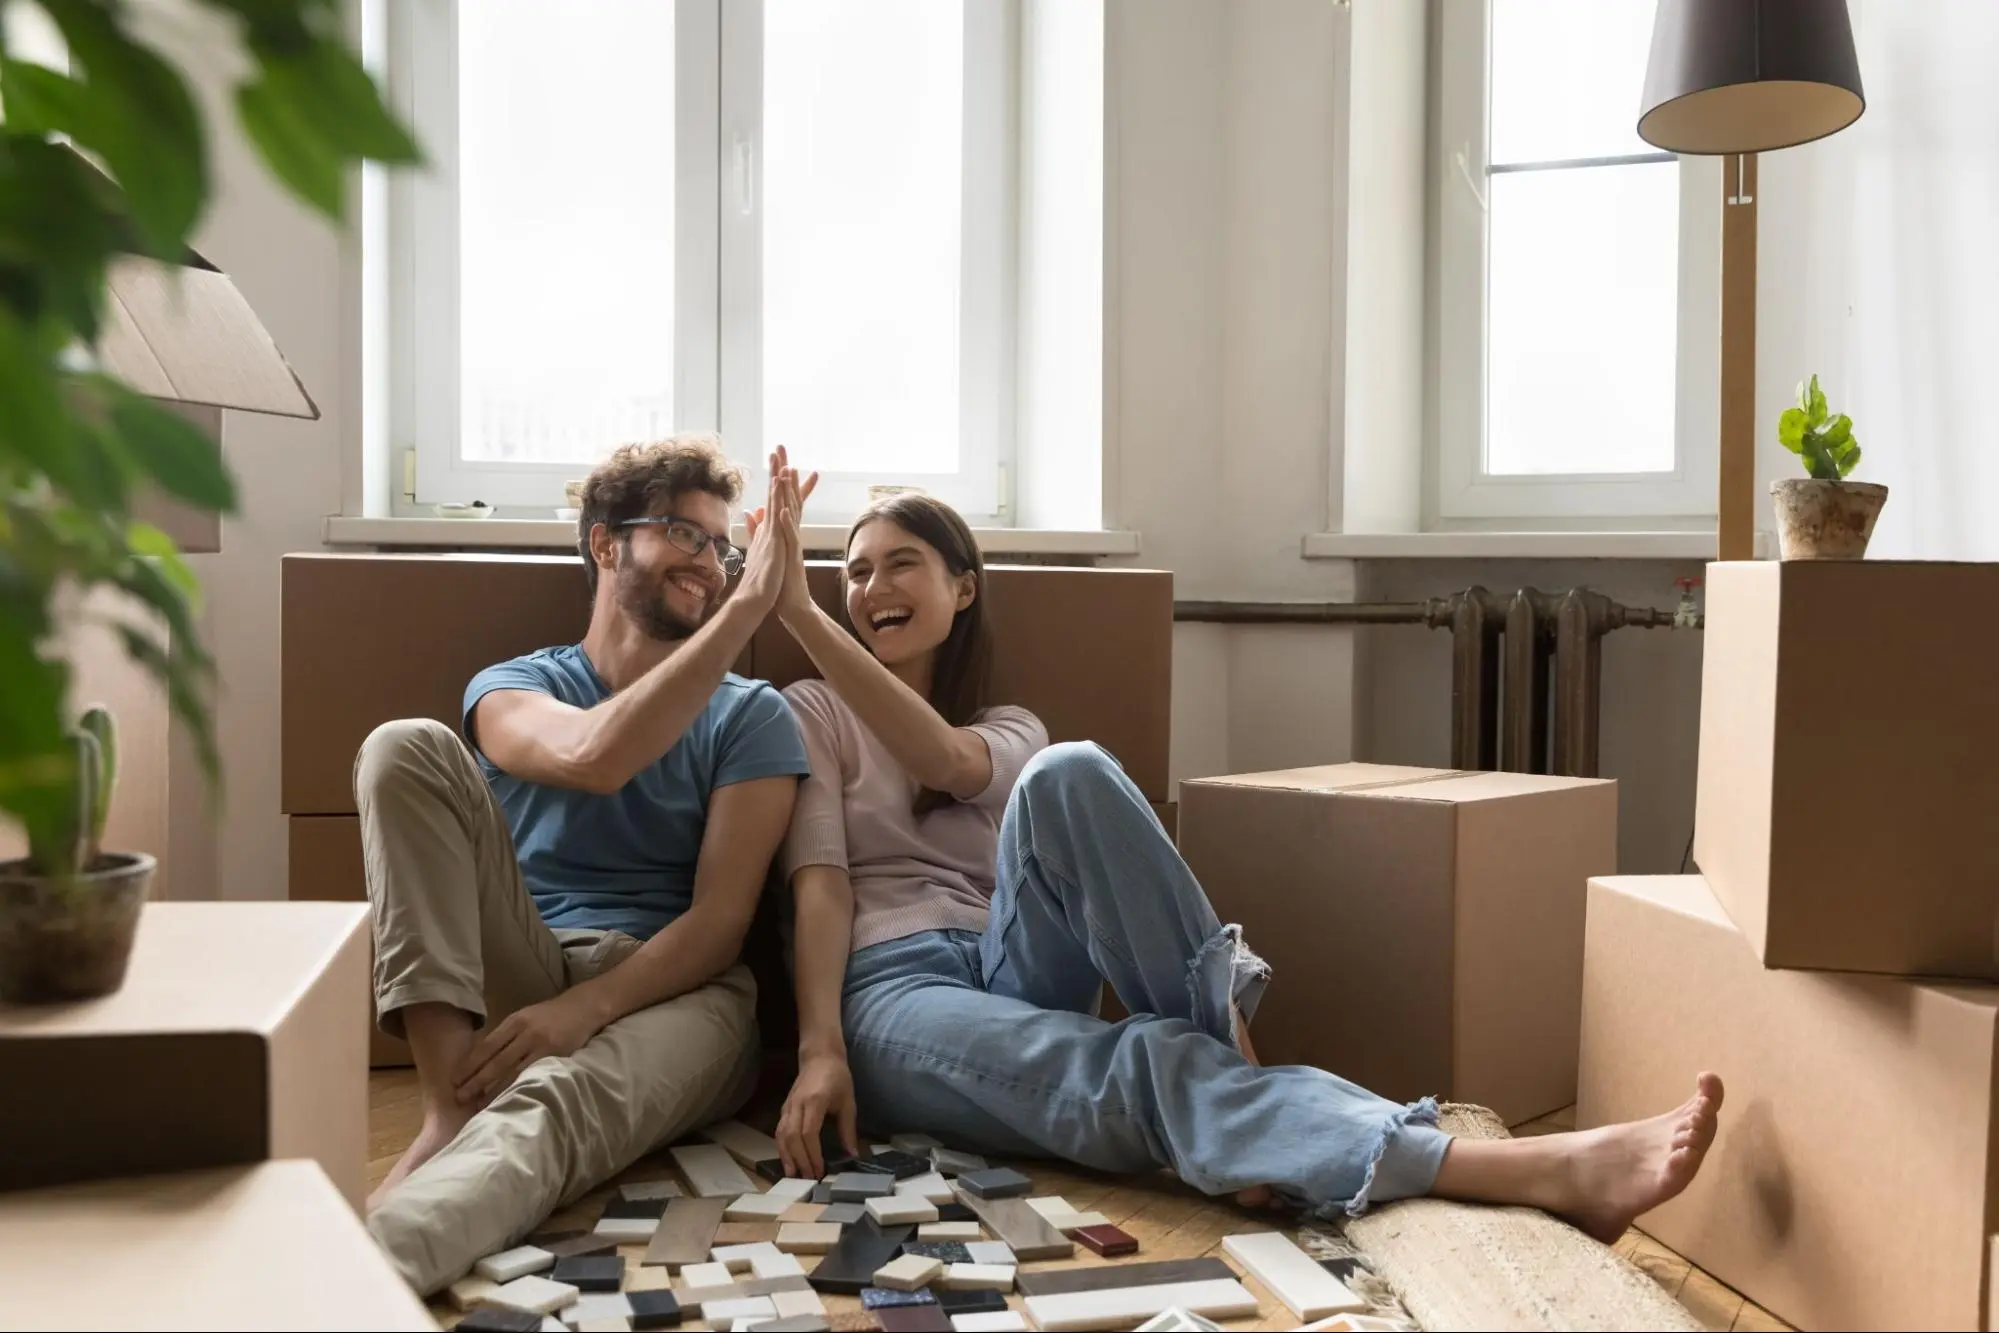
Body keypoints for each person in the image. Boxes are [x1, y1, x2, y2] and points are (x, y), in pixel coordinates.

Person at [762, 447, 1723, 1242]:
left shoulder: (1006, 725)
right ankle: (1523, 1164)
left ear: (961, 587)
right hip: (895, 993)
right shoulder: (808, 709)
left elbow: (946, 759)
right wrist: (818, 1052)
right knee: (1134, 1060)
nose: (868, 586)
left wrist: (798, 610)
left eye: (898, 563)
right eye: (849, 570)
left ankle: (1231, 1070)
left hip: (1008, 958)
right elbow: (820, 888)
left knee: (1072, 767)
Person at [357, 438, 812, 1294]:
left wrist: (585, 1009)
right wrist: (749, 610)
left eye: (723, 546)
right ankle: (447, 1106)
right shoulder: (516, 684)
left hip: (678, 995)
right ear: (606, 543)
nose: (710, 565)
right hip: (525, 962)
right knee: (402, 747)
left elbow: (720, 924)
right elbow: (598, 756)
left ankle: (348, 1286)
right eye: (684, 533)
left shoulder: (753, 716)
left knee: (553, 1106)